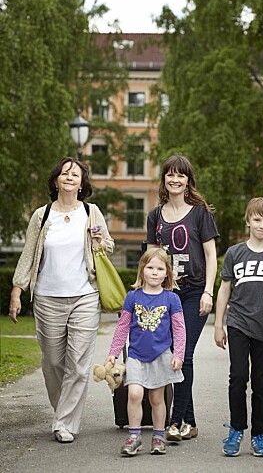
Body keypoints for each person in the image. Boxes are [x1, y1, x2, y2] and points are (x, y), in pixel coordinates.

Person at [8, 156, 114, 443]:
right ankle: (63, 413)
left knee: (78, 365)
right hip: (47, 296)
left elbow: (109, 244)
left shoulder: (91, 212)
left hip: (84, 296)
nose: (69, 177)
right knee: (53, 361)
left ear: (82, 184)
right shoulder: (41, 215)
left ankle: (64, 422)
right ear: (56, 181)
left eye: (75, 174)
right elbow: (29, 253)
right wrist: (18, 289)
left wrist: (99, 240)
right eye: (64, 173)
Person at [146, 154, 219, 442]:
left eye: (181, 175)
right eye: (170, 174)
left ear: (188, 180)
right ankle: (189, 421)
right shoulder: (155, 216)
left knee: (183, 353)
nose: (175, 179)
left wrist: (208, 292)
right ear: (164, 179)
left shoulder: (200, 212)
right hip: (166, 294)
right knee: (171, 355)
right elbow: (150, 259)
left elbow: (211, 256)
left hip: (193, 291)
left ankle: (175, 421)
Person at [214, 197, 263, 457]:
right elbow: (224, 290)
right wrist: (218, 324)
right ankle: (236, 429)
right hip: (238, 324)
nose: (261, 224)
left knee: (261, 383)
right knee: (238, 378)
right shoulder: (235, 253)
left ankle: (259, 434)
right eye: (257, 219)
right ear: (248, 221)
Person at [105, 247, 186, 456]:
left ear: (167, 272)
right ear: (142, 270)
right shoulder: (133, 297)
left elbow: (179, 329)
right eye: (150, 267)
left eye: (160, 268)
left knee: (157, 399)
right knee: (134, 394)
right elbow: (123, 326)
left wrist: (178, 354)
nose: (154, 272)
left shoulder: (171, 299)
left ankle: (158, 437)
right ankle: (134, 436)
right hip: (136, 356)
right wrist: (113, 352)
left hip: (161, 356)